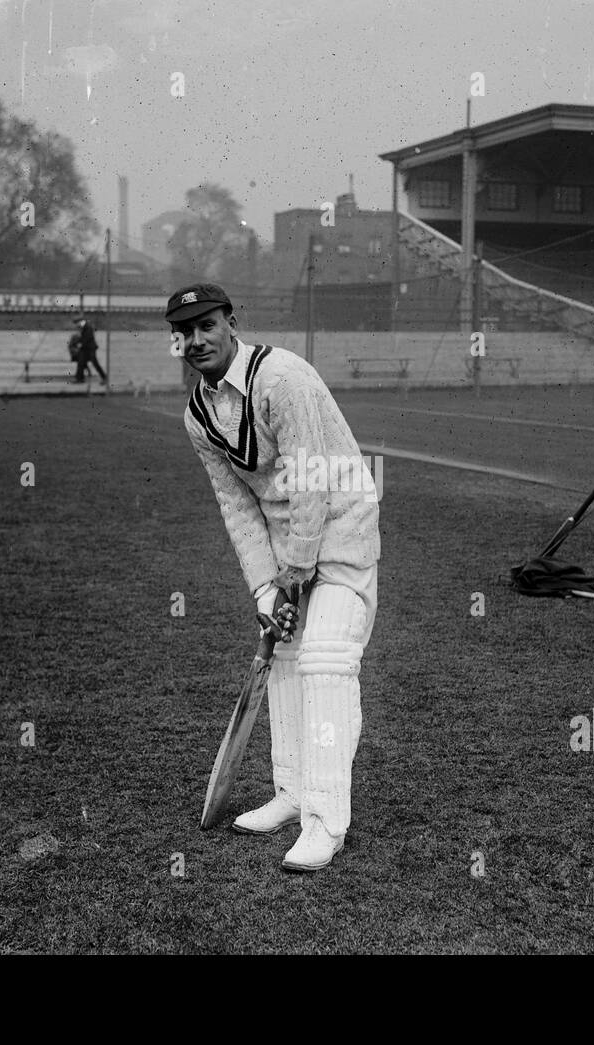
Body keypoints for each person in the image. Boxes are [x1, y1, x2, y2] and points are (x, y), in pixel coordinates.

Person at [167, 282, 380, 872]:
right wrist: (267, 589)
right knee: (284, 660)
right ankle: (291, 794)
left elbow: (309, 477)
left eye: (207, 325)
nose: (195, 340)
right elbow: (236, 505)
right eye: (183, 332)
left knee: (326, 659)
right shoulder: (197, 414)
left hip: (340, 523)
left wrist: (297, 569)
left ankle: (325, 821)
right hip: (288, 541)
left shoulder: (281, 377)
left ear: (232, 322)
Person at [71, 314, 107, 384]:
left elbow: (87, 338)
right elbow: (83, 337)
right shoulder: (84, 326)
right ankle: (79, 379)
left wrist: (80, 344)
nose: (76, 325)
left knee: (95, 364)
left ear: (80, 321)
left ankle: (104, 378)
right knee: (81, 363)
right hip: (85, 349)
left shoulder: (88, 326)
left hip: (90, 349)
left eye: (76, 323)